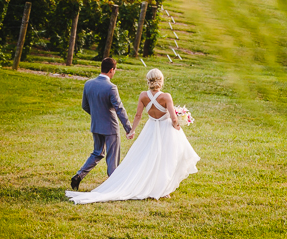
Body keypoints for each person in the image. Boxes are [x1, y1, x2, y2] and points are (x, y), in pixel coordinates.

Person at [65, 68, 199, 204]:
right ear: (161, 80)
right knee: (166, 158)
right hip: (165, 130)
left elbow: (138, 115)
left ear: (148, 80)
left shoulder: (143, 96)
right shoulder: (166, 97)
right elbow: (173, 117)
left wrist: (132, 131)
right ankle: (163, 190)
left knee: (148, 157)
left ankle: (154, 186)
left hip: (150, 129)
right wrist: (177, 125)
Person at [71, 57, 132, 191]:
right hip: (110, 127)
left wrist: (97, 115)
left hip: (96, 126)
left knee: (97, 153)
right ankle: (113, 185)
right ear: (111, 70)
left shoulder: (88, 84)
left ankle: (78, 176)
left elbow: (85, 106)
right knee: (112, 157)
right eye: (115, 70)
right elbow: (119, 109)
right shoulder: (111, 87)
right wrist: (128, 128)